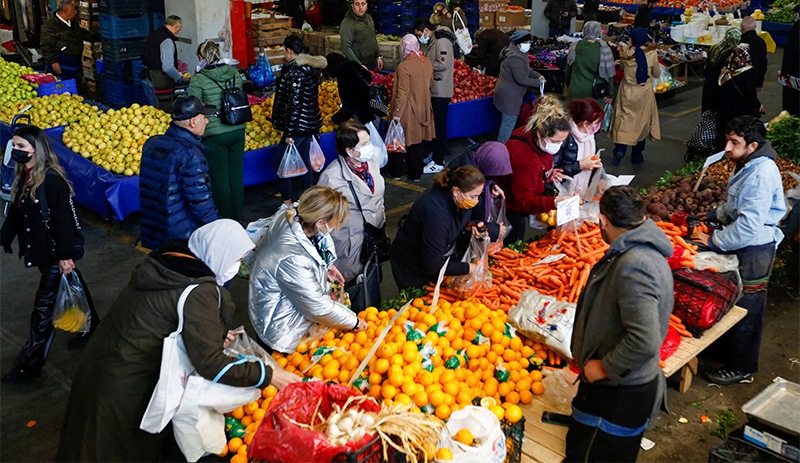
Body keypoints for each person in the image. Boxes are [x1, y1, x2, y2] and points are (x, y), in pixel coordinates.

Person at [55, 219, 301, 461]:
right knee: (114, 447)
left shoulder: (168, 264)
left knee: (86, 440)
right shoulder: (200, 290)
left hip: (102, 361)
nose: (235, 267)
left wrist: (209, 333)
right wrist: (269, 375)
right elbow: (211, 363)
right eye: (236, 259)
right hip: (129, 382)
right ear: (219, 252)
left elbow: (164, 316)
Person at [566, 186, 673, 463]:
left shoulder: (635, 264)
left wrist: (602, 368)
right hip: (616, 386)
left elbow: (644, 339)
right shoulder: (641, 251)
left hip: (617, 393)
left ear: (603, 220)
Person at [691, 116, 787, 386]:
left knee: (747, 307)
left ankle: (742, 367)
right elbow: (737, 207)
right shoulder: (746, 163)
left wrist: (713, 241)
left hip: (755, 248)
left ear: (753, 145)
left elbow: (747, 225)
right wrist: (715, 213)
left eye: (735, 142)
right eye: (728, 140)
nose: (728, 147)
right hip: (744, 242)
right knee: (730, 299)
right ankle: (724, 351)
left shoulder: (761, 173)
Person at [1, 125, 100, 383]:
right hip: (44, 251)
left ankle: (29, 366)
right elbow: (16, 210)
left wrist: (65, 257)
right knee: (73, 283)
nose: (16, 150)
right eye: (15, 145)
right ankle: (95, 327)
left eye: (22, 146)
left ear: (37, 149)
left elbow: (66, 222)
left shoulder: (53, 181)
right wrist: (5, 236)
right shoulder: (25, 174)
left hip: (56, 253)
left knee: (42, 310)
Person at [249, 186, 367, 354]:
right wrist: (354, 322)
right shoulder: (293, 258)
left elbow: (315, 245)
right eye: (336, 221)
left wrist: (326, 266)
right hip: (281, 327)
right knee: (286, 374)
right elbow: (317, 306)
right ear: (320, 222)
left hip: (281, 304)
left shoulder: (293, 216)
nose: (337, 225)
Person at [317, 122, 386, 310]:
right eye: (364, 144)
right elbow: (320, 219)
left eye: (369, 141)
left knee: (372, 282)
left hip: (373, 240)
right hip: (348, 246)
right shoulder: (332, 178)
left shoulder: (372, 163)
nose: (369, 147)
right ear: (349, 151)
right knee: (353, 295)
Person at [390, 165, 491, 290]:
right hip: (412, 264)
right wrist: (469, 268)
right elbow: (432, 265)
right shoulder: (436, 213)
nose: (477, 201)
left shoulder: (459, 200)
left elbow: (461, 220)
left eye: (478, 196)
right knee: (418, 302)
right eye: (473, 196)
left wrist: (473, 225)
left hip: (434, 256)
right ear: (456, 191)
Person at [139, 96, 220, 251]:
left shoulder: (152, 142)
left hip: (154, 227)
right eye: (204, 117)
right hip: (181, 234)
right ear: (193, 122)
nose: (207, 121)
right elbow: (200, 201)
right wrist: (217, 228)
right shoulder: (190, 155)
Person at [496, 94, 571, 244]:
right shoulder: (525, 159)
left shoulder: (534, 134)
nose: (558, 146)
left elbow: (540, 166)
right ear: (540, 134)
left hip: (523, 190)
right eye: (555, 141)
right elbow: (523, 201)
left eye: (562, 141)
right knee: (513, 242)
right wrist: (554, 202)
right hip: (511, 205)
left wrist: (547, 175)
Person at [188, 40, 246, 221]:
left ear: (201, 57)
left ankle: (224, 220)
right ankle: (238, 218)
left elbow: (193, 106)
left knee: (220, 180)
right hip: (237, 128)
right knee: (236, 176)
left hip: (214, 133)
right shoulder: (234, 72)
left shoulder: (199, 79)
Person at [272, 35, 327, 206]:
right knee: (305, 163)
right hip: (309, 124)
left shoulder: (295, 74)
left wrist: (289, 133)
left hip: (297, 126)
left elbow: (294, 106)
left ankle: (287, 203)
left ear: (289, 51)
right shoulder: (310, 71)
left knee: (280, 164)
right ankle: (308, 199)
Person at [610, 27, 660, 165]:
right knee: (641, 122)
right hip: (643, 91)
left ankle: (620, 150)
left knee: (624, 121)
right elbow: (656, 73)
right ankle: (637, 154)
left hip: (627, 90)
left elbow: (621, 69)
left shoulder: (625, 53)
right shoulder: (651, 53)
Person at [387, 34, 435, 181]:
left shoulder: (404, 66)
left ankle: (396, 172)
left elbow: (402, 93)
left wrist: (396, 114)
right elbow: (431, 84)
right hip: (424, 108)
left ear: (404, 48)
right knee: (417, 143)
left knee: (398, 141)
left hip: (408, 110)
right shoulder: (426, 62)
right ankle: (416, 174)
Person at [414, 19, 455, 174]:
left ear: (425, 30)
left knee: (439, 126)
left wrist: (424, 65)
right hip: (434, 89)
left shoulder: (442, 42)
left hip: (441, 91)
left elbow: (443, 64)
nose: (419, 38)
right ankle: (433, 153)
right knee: (434, 125)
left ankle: (438, 160)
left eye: (419, 34)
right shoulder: (433, 41)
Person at [447, 141, 512, 239]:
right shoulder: (462, 177)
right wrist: (490, 229)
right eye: (474, 196)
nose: (476, 199)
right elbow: (459, 222)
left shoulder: (477, 167)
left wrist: (490, 185)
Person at [494, 30, 545, 144]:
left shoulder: (517, 53)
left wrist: (538, 76)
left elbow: (526, 70)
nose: (528, 44)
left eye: (529, 42)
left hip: (507, 92)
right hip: (510, 95)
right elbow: (521, 79)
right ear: (518, 43)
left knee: (507, 121)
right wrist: (538, 83)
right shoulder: (515, 57)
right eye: (526, 42)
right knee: (508, 123)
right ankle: (502, 146)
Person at [38, 0, 95, 94]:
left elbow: (83, 34)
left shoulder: (73, 23)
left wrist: (101, 35)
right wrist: (53, 61)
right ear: (65, 10)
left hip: (75, 64)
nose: (75, 12)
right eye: (73, 9)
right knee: (63, 90)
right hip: (61, 65)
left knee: (76, 89)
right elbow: (45, 45)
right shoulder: (50, 25)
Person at [554, 98, 604, 197]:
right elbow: (554, 172)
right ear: (586, 123)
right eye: (597, 123)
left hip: (582, 194)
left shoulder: (590, 138)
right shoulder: (563, 137)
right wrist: (580, 165)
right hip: (563, 193)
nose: (599, 126)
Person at [716, 44, 763, 147]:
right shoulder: (747, 71)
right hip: (741, 110)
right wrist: (757, 104)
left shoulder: (725, 71)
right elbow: (749, 93)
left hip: (725, 109)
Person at [142, 15, 185, 112]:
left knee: (158, 108)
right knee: (166, 109)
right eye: (180, 28)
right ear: (177, 26)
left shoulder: (155, 34)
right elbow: (167, 67)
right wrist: (179, 78)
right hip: (162, 78)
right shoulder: (167, 40)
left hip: (152, 74)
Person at [564, 21, 615, 101]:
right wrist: (610, 94)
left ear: (584, 31)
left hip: (574, 90)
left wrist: (568, 85)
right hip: (594, 93)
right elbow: (609, 73)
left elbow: (568, 69)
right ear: (598, 32)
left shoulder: (574, 46)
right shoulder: (604, 49)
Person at [325, 52, 378, 124]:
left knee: (367, 133)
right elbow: (368, 78)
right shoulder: (353, 65)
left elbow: (349, 105)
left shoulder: (343, 73)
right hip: (376, 107)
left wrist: (335, 119)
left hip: (364, 115)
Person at [340, 0, 382, 70]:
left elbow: (373, 38)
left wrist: (379, 56)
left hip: (372, 63)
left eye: (363, 4)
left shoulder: (368, 18)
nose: (360, 7)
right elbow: (345, 47)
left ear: (366, 5)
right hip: (359, 66)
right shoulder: (347, 23)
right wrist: (359, 65)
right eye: (357, 4)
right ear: (352, 6)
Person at [740, 16, 768, 92]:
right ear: (755, 27)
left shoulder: (739, 42)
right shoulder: (761, 42)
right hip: (754, 81)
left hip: (739, 81)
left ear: (741, 27)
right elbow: (763, 64)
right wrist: (759, 83)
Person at [780, 8, 799, 115]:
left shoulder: (795, 30)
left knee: (792, 102)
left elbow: (790, 53)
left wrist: (785, 72)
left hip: (794, 73)